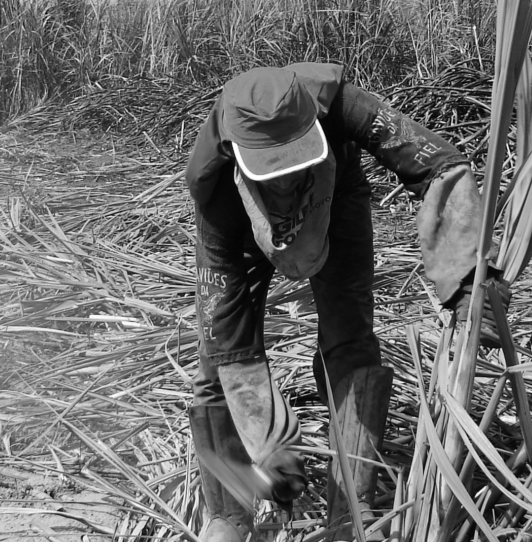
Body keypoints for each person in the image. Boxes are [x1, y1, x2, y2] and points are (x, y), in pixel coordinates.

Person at [184, 62, 510, 541]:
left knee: (349, 339)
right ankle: (230, 516)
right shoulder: (214, 190)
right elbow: (231, 343)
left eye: (294, 164)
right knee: (216, 365)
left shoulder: (339, 104)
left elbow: (441, 164)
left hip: (333, 203)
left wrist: (467, 278)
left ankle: (350, 513)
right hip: (245, 226)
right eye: (273, 171)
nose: (286, 183)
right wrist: (269, 443)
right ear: (236, 152)